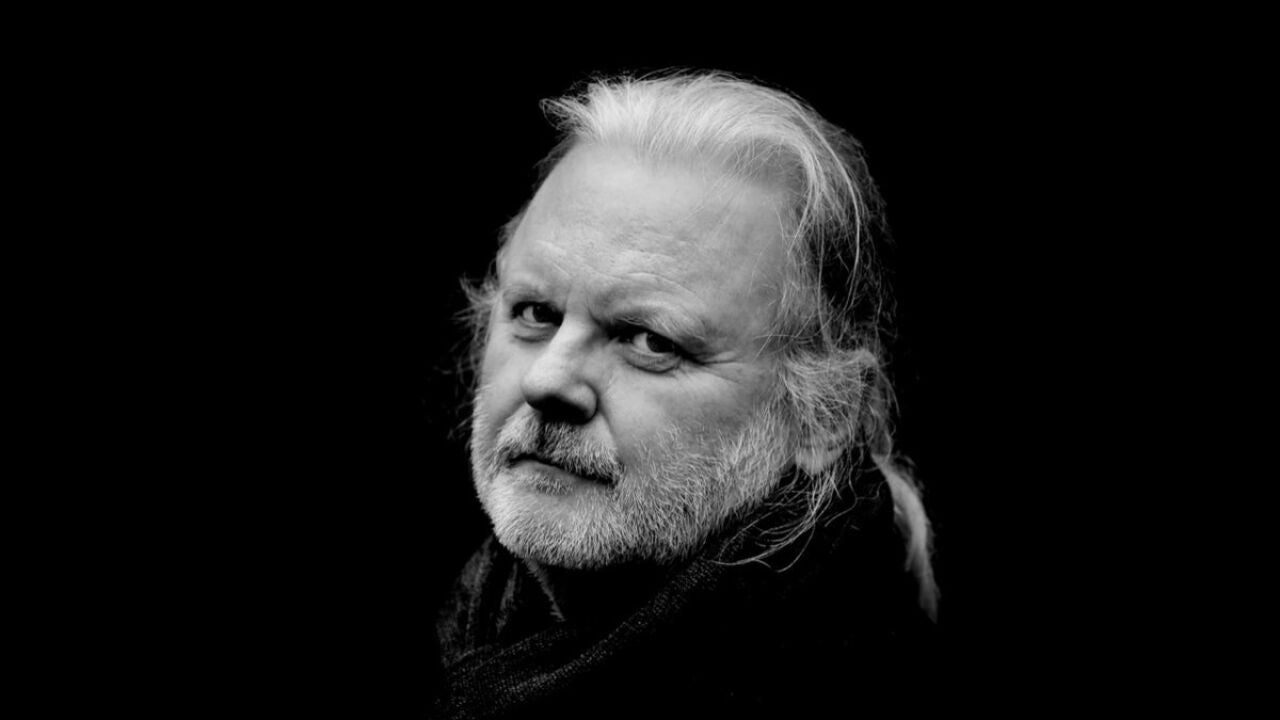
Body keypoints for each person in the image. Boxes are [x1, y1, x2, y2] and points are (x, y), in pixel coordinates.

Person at [432, 70, 939, 717]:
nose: (547, 380)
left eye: (650, 340)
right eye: (535, 312)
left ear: (827, 415)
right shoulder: (477, 629)